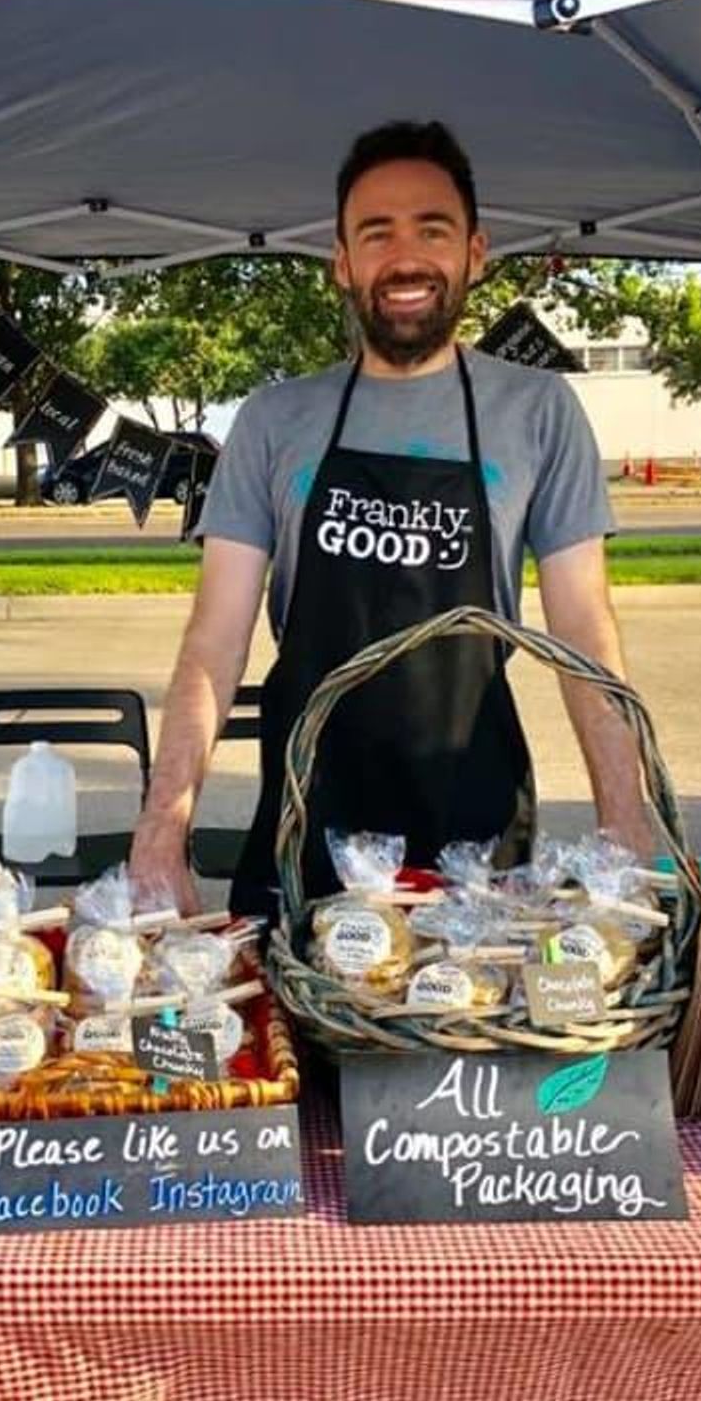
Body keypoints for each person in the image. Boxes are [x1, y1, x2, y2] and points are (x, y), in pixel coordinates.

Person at [128, 120, 645, 919]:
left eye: (431, 230)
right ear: (342, 262)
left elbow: (584, 631)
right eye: (376, 234)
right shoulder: (274, 419)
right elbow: (213, 644)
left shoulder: (538, 411)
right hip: (304, 839)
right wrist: (162, 831)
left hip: (475, 855)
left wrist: (627, 821)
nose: (405, 257)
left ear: (475, 252)